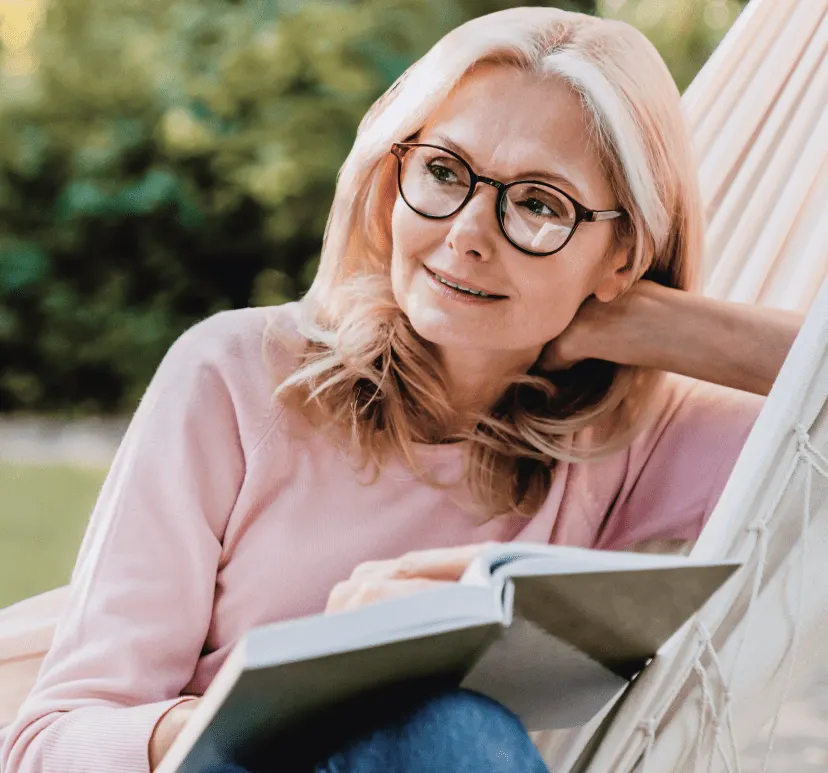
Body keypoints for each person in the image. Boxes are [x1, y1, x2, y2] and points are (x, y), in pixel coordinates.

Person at [0, 6, 805, 773]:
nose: (465, 233)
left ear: (622, 256)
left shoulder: (625, 439)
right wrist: (268, 693)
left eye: (536, 204)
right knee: (449, 724)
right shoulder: (234, 379)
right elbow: (49, 739)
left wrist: (665, 328)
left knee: (447, 724)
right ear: (392, 176)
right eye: (445, 170)